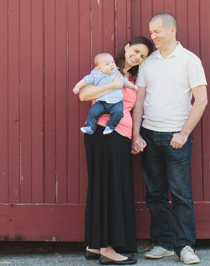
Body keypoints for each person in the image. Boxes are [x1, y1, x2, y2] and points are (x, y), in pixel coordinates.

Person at [131, 13, 208, 265]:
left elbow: (202, 99)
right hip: (150, 137)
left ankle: (184, 246)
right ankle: (163, 243)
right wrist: (136, 134)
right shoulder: (148, 62)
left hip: (177, 137)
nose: (152, 36)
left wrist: (184, 133)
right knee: (155, 194)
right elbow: (139, 101)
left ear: (172, 31)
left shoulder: (189, 60)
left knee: (181, 194)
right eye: (151, 32)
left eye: (157, 32)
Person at [78, 36, 154, 266]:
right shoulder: (107, 68)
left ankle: (94, 244)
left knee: (108, 187)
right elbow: (84, 95)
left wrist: (135, 136)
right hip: (102, 133)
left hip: (119, 136)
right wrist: (111, 85)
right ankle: (106, 248)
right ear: (128, 46)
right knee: (107, 188)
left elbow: (135, 108)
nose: (137, 56)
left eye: (142, 56)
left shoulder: (133, 78)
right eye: (136, 51)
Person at [74, 53, 138, 135]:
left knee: (118, 112)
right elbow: (85, 80)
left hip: (116, 102)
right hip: (102, 103)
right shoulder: (95, 75)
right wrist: (77, 86)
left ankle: (111, 126)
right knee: (93, 112)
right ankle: (90, 127)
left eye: (112, 62)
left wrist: (133, 87)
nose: (111, 65)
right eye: (107, 64)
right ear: (99, 68)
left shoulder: (116, 73)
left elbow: (125, 82)